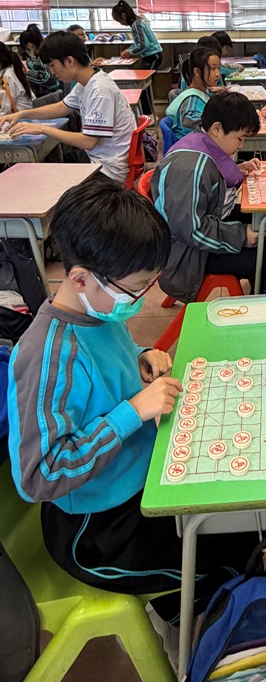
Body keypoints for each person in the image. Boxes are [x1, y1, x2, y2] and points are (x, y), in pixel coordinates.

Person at [7, 178, 187, 650]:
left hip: (140, 487)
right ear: (81, 279)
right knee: (224, 542)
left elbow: (106, 363)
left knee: (223, 518)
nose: (141, 300)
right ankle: (183, 628)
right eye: (134, 289)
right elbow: (39, 475)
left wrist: (140, 356)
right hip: (98, 530)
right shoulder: (46, 356)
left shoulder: (97, 314)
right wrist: (132, 412)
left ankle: (176, 612)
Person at [151, 92, 264, 302]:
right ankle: (261, 310)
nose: (241, 146)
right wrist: (241, 236)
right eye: (240, 138)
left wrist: (236, 169)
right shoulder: (189, 168)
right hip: (188, 256)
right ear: (217, 128)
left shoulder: (201, 143)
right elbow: (193, 230)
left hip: (202, 234)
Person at [3, 31, 135, 182]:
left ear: (69, 61)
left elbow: (88, 142)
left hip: (109, 170)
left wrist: (41, 129)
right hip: (99, 158)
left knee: (46, 178)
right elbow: (61, 107)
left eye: (52, 65)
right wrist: (21, 114)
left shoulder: (100, 90)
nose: (52, 72)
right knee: (49, 166)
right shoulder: (87, 82)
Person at [111, 0, 163, 116]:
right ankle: (147, 112)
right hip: (150, 56)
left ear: (123, 16)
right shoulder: (136, 22)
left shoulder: (136, 24)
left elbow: (144, 45)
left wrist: (130, 52)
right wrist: (129, 50)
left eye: (119, 21)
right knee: (143, 85)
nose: (121, 24)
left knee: (143, 86)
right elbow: (139, 42)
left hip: (153, 56)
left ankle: (148, 115)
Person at [165, 47, 220, 140]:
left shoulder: (200, 92)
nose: (217, 73)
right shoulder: (191, 98)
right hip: (191, 144)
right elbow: (188, 121)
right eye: (213, 68)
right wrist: (219, 119)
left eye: (219, 68)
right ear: (197, 72)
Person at [19, 24, 61, 98]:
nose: (26, 51)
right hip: (45, 91)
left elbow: (47, 78)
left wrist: (28, 72)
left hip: (51, 91)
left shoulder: (44, 55)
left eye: (26, 48)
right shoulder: (37, 55)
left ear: (30, 45)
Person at [0, 41, 33, 117]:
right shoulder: (11, 69)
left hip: (22, 116)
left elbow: (7, 109)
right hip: (21, 113)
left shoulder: (8, 76)